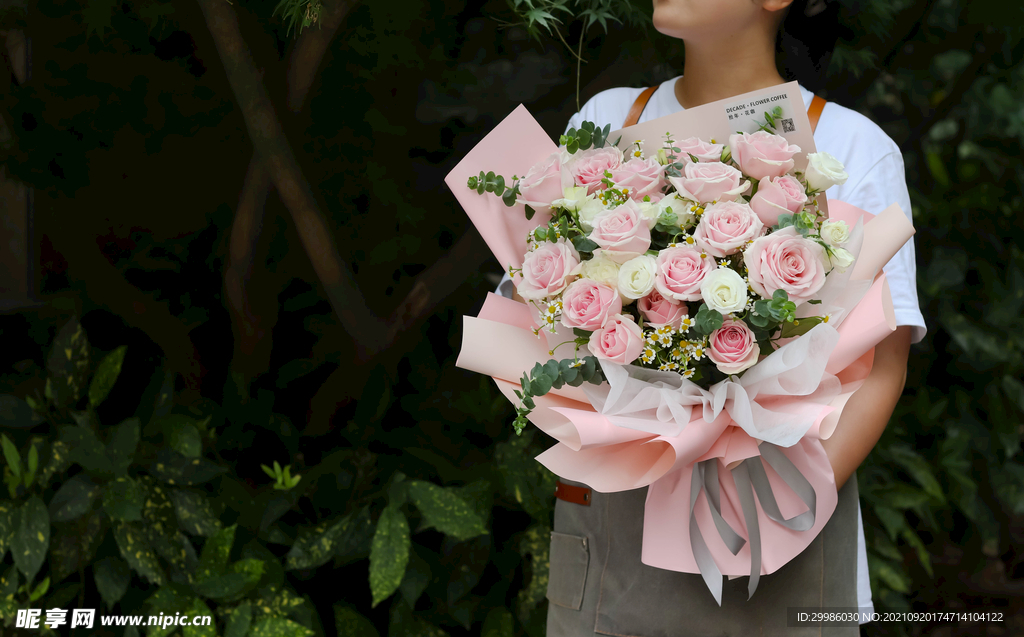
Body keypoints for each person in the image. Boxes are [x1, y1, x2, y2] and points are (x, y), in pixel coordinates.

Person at [493, 0, 927, 634]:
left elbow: (883, 367)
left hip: (778, 521)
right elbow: (528, 310)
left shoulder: (852, 145)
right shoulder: (608, 119)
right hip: (619, 516)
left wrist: (773, 513)